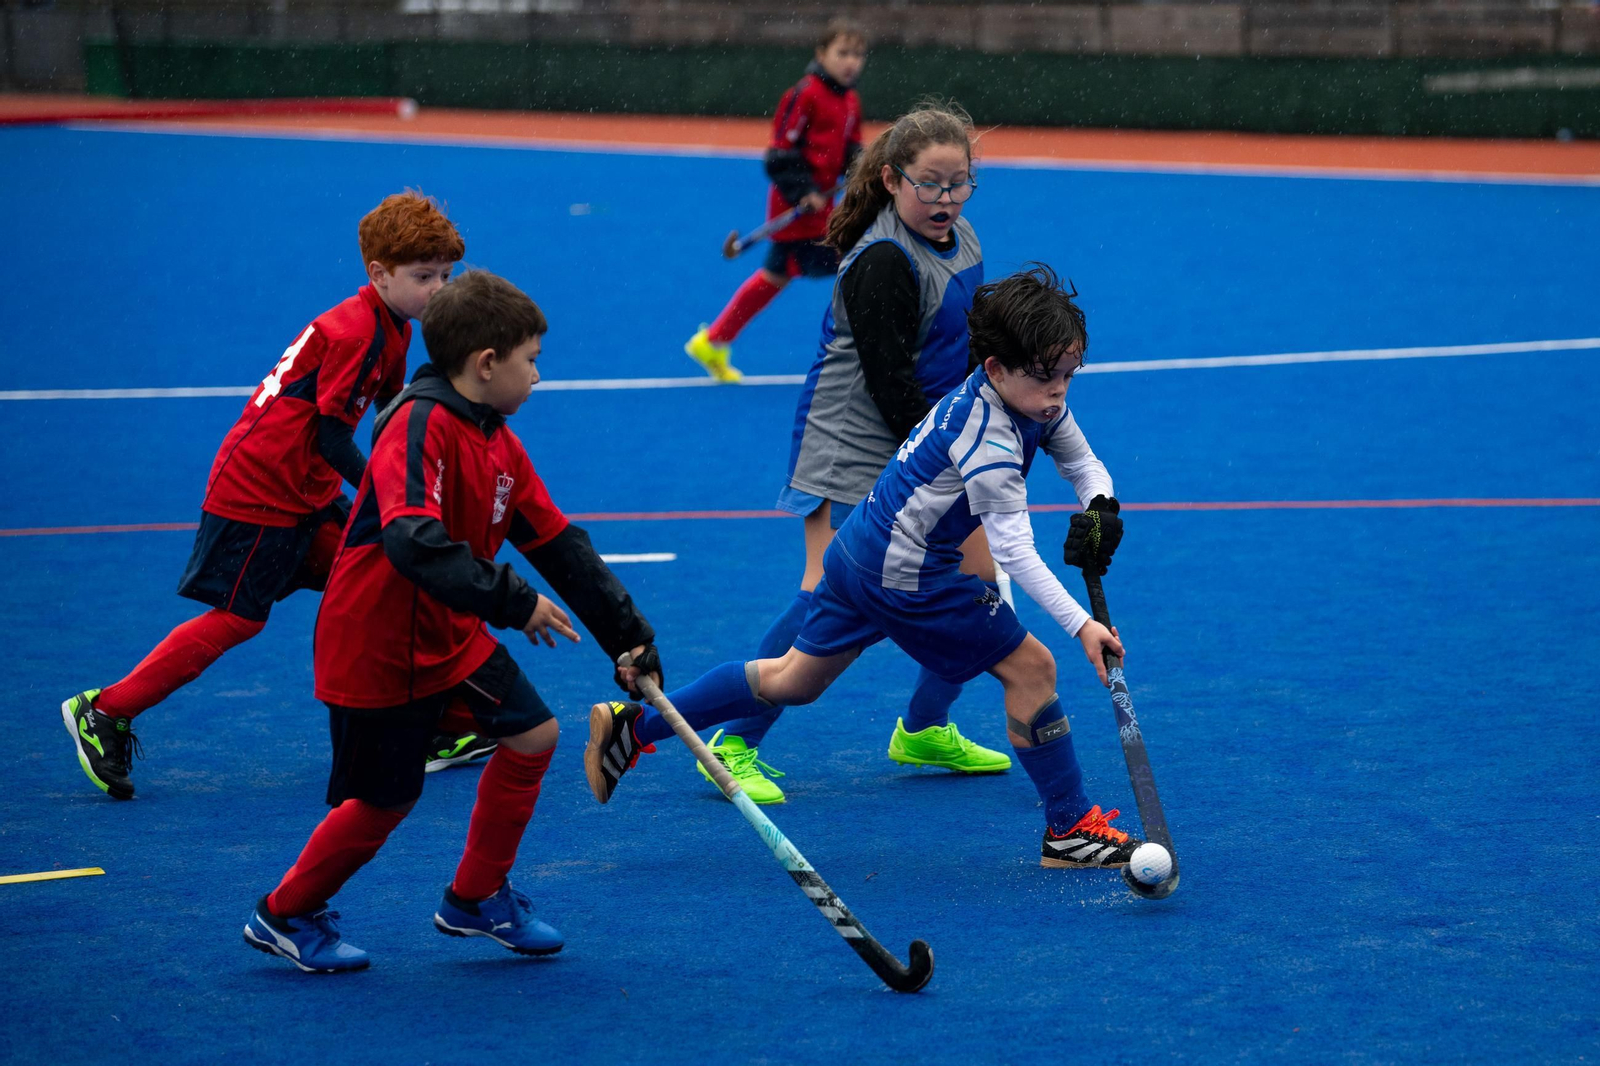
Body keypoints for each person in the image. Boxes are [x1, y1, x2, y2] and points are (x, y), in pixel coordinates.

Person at [587, 265, 1145, 870]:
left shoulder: (1030, 400)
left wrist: (1100, 508)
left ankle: (635, 728)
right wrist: (1082, 624)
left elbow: (1083, 462)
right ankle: (1069, 828)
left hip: (859, 551)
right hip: (907, 577)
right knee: (1033, 669)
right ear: (995, 368)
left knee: (791, 681)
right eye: (1046, 376)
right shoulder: (990, 441)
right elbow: (1013, 552)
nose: (1059, 390)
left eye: (1069, 373)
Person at [244, 270, 663, 973]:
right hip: (377, 645)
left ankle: (474, 898)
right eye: (531, 360)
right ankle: (283, 913)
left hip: (448, 634)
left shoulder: (495, 436)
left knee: (533, 735)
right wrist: (512, 600)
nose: (540, 374)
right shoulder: (417, 425)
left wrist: (629, 636)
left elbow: (557, 543)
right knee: (382, 805)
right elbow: (412, 540)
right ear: (486, 364)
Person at [60, 191, 484, 802]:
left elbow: (384, 411)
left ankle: (443, 726)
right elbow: (333, 433)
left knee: (394, 573)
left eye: (446, 275)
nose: (439, 289)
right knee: (239, 619)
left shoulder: (393, 326)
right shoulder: (356, 331)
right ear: (378, 274)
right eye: (424, 277)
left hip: (305, 487)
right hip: (260, 490)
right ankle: (104, 710)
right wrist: (387, 490)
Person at [688, 101, 1008, 805]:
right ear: (892, 180)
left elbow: (961, 341)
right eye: (930, 183)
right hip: (852, 440)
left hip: (926, 436)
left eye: (959, 183)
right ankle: (732, 742)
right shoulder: (884, 261)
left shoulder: (964, 236)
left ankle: (923, 728)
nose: (946, 199)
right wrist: (951, 453)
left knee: (982, 585)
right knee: (825, 596)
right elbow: (889, 379)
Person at [684, 18, 866, 383]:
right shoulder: (804, 94)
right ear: (822, 54)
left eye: (858, 54)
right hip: (795, 210)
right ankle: (862, 353)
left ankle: (714, 340)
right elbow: (779, 155)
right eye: (842, 52)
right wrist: (804, 191)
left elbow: (851, 150)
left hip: (823, 211)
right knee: (856, 268)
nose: (851, 62)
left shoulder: (849, 100)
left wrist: (864, 167)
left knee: (783, 276)